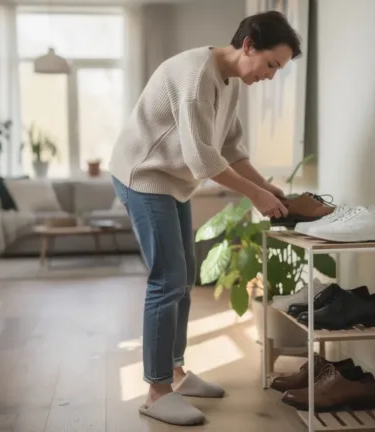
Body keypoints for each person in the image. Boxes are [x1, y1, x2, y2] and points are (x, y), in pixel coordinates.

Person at [109, 10, 302, 426]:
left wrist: (266, 187)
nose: (271, 76)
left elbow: (231, 148)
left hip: (171, 182)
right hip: (143, 176)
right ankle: (157, 390)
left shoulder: (228, 81)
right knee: (168, 279)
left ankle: (175, 373)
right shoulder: (197, 76)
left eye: (278, 70)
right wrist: (254, 195)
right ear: (248, 45)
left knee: (186, 276)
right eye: (271, 64)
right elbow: (201, 160)